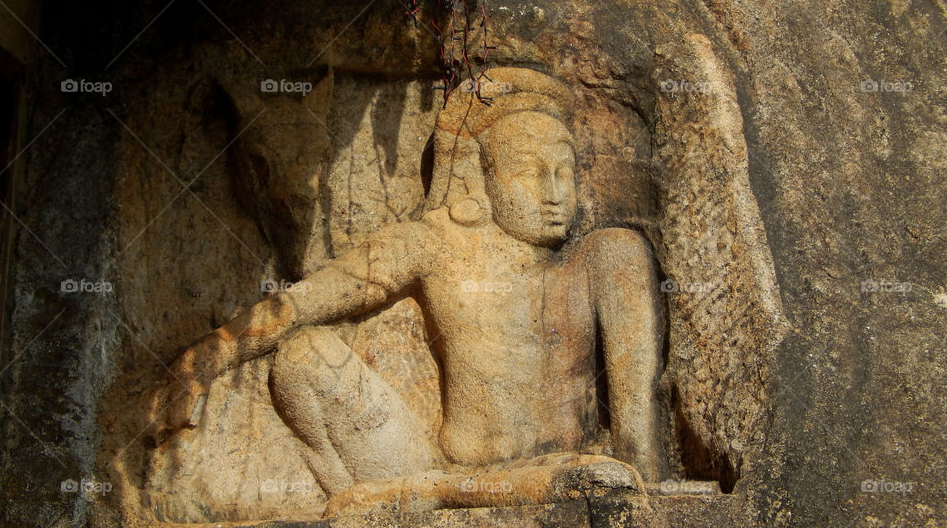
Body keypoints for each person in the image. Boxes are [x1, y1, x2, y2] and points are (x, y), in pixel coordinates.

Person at [150, 67, 663, 514]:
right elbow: (306, 303)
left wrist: (639, 474)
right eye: (531, 173)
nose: (554, 195)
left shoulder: (597, 258)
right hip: (446, 467)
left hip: (570, 467)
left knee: (622, 251)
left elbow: (632, 421)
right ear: (485, 177)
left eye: (564, 173)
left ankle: (419, 495)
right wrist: (204, 358)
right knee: (304, 357)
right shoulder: (436, 243)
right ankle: (415, 493)